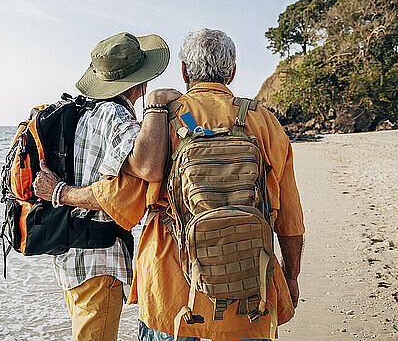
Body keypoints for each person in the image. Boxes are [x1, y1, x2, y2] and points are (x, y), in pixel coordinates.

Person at [35, 28, 305, 341]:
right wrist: (291, 277)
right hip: (249, 286)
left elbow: (122, 199)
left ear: (184, 71)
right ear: (232, 73)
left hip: (171, 293)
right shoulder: (265, 122)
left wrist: (61, 192)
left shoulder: (160, 121)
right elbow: (290, 220)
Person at [32, 31, 181, 341]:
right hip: (98, 260)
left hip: (70, 253)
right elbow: (149, 166)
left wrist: (61, 193)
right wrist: (156, 108)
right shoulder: (114, 115)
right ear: (141, 82)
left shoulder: (82, 112)